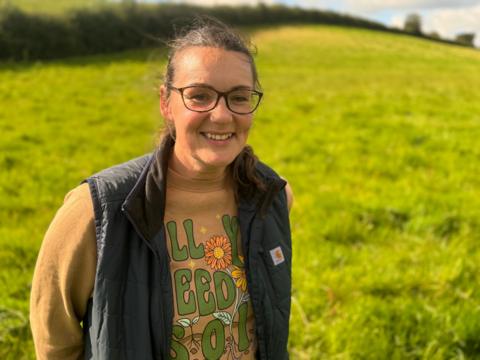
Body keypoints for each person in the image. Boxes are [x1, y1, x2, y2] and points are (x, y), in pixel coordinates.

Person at [30, 17, 293, 360]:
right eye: (199, 96)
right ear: (166, 103)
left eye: (239, 98)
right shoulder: (96, 210)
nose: (221, 115)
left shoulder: (272, 198)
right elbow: (55, 342)